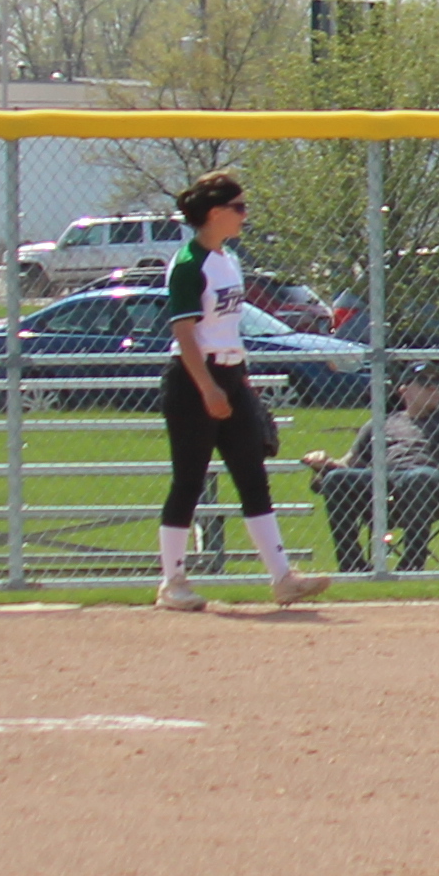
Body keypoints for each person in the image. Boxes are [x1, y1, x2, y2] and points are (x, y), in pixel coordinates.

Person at [153, 172, 320, 612]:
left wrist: (239, 384)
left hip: (230, 375)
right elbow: (185, 333)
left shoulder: (227, 259)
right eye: (238, 208)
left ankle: (283, 578)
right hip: (193, 381)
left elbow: (227, 327)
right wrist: (208, 388)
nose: (245, 215)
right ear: (214, 213)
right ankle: (172, 583)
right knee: (188, 481)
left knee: (252, 475)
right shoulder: (190, 264)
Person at [319, 359, 439, 572]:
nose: (433, 387)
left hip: (434, 488)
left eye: (436, 381)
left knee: (419, 477)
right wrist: (324, 463)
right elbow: (347, 464)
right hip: (382, 487)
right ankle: (352, 565)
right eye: (423, 381)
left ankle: (412, 563)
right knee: (336, 479)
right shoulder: (382, 423)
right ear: (404, 390)